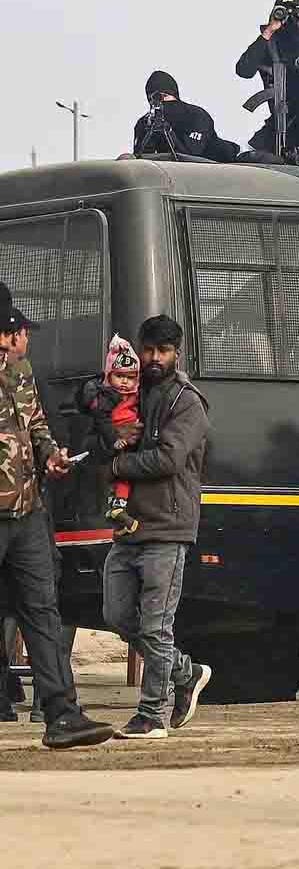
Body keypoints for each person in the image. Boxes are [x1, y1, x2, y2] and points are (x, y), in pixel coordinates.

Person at [0, 287, 112, 748]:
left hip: (27, 512)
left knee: (42, 609)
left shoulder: (21, 371)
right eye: (11, 330)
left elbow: (36, 424)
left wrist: (51, 455)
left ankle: (62, 715)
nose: (16, 339)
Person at [102, 315, 213, 739]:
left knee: (155, 626)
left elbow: (169, 459)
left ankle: (151, 715)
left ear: (176, 354)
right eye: (148, 349)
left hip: (167, 528)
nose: (153, 358)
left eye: (162, 351)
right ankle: (186, 673)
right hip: (129, 526)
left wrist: (117, 465)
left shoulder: (187, 402)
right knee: (116, 615)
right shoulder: (131, 391)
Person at [236, 0, 299, 168]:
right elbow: (243, 70)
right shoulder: (267, 45)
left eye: (295, 13)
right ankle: (288, 156)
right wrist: (268, 31)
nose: (289, 18)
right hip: (279, 121)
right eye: (283, 12)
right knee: (246, 157)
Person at [77, 335, 143, 536]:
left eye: (130, 377)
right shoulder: (107, 396)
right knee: (121, 472)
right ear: (109, 375)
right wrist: (114, 439)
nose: (124, 382)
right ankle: (116, 506)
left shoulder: (137, 394)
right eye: (119, 376)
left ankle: (118, 507)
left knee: (126, 476)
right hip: (115, 441)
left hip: (130, 440)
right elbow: (103, 421)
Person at [133, 71, 239, 162]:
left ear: (175, 96)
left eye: (165, 96)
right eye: (153, 99)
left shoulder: (195, 114)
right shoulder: (145, 122)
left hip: (226, 161)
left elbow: (193, 154)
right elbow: (143, 159)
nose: (161, 102)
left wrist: (169, 131)